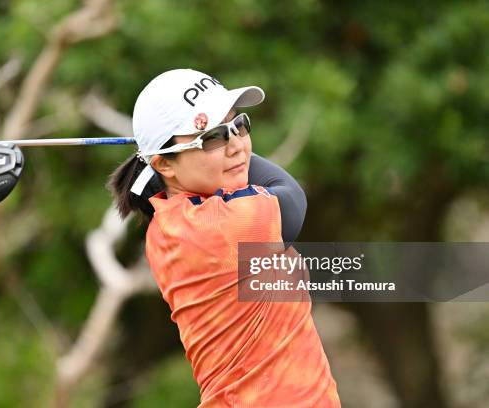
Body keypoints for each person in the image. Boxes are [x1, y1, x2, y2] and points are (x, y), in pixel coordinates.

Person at [109, 69, 340, 407]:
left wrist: (186, 148)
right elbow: (292, 196)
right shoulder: (225, 227)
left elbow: (204, 169)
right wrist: (169, 153)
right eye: (214, 136)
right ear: (164, 165)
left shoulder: (168, 220)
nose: (237, 146)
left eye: (239, 125)